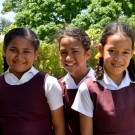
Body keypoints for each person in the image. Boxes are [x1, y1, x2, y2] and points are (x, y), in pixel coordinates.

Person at [72, 21, 135, 135]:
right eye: (112, 51)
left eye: (125, 52)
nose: (118, 58)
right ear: (100, 49)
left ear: (132, 53)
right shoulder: (88, 88)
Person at [0, 28, 65, 135]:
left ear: (36, 54)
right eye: (13, 50)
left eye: (26, 51)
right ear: (4, 50)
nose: (19, 57)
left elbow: (59, 126)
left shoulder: (48, 83)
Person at [58, 27, 94, 135]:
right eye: (63, 52)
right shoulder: (58, 87)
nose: (68, 58)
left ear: (87, 54)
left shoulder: (101, 85)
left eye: (75, 51)